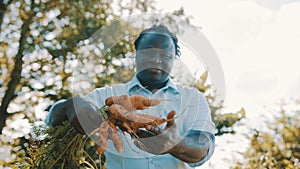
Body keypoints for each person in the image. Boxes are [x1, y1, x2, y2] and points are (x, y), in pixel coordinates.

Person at [46, 24, 215, 169]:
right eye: (148, 53)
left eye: (164, 55)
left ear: (174, 59)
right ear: (136, 54)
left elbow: (203, 148)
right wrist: (72, 105)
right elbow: (53, 119)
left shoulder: (193, 98)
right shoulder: (107, 95)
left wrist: (175, 144)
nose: (156, 59)